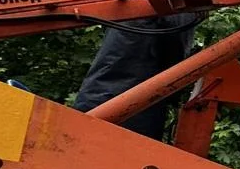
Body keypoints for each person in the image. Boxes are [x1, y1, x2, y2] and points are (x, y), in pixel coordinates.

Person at [70, 10, 205, 139]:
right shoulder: (176, 7)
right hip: (133, 109)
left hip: (97, 99)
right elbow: (175, 59)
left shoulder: (137, 1)